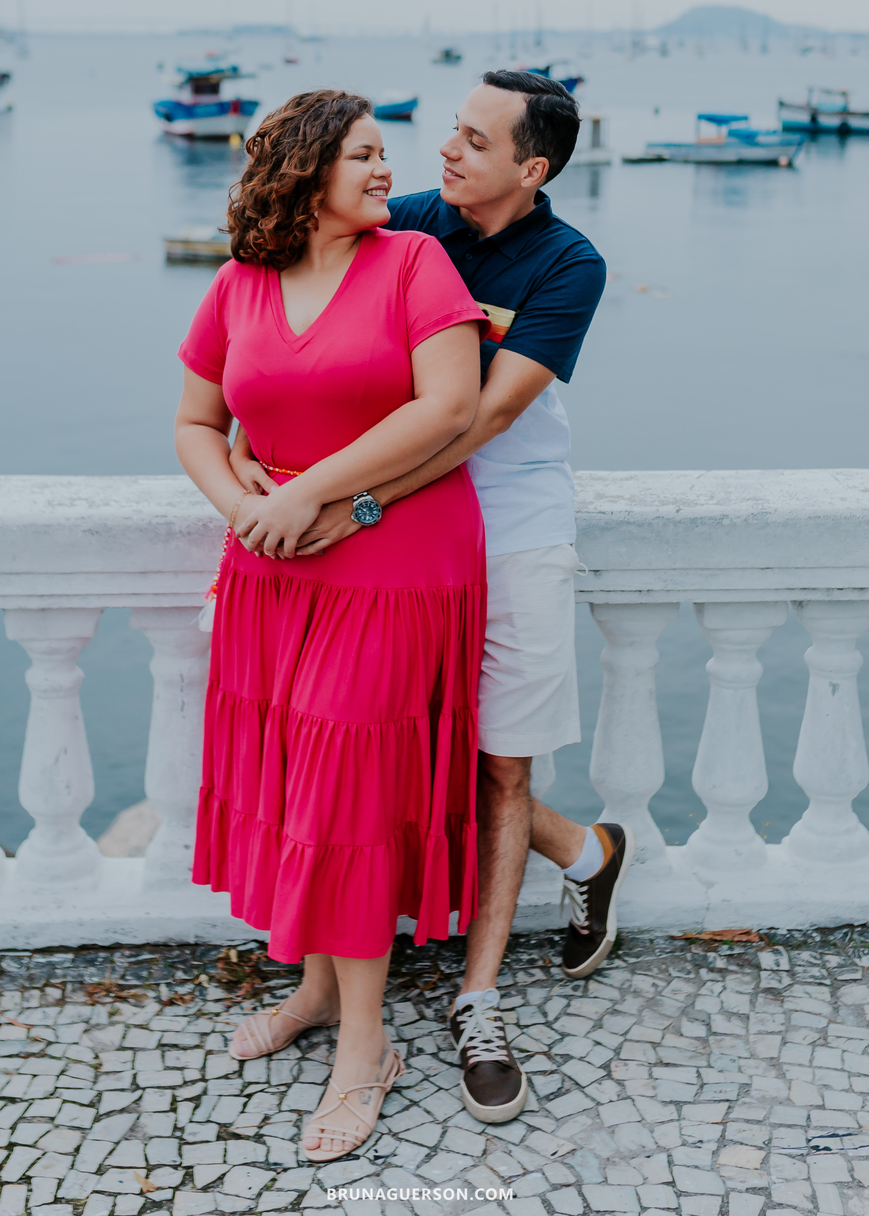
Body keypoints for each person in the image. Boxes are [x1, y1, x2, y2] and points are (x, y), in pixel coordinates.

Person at [231, 70, 626, 1125]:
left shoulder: (567, 264)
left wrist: (342, 506)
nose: (441, 153)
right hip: (401, 525)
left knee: (499, 762)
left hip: (510, 521)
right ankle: (583, 851)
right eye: (447, 131)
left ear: (530, 168)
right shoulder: (410, 223)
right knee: (391, 749)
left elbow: (475, 422)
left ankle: (478, 996)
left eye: (473, 141)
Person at [174, 89, 489, 1163]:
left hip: (396, 553)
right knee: (296, 781)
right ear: (306, 170)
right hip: (275, 564)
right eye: (362, 154)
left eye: (383, 153)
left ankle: (367, 1047)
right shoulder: (238, 283)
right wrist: (246, 509)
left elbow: (446, 406)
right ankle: (313, 988)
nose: (384, 170)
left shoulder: (413, 265)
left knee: (347, 791)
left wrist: (309, 494)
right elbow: (195, 421)